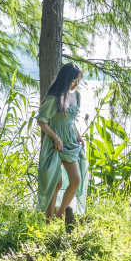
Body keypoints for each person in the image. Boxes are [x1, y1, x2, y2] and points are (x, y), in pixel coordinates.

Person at [36, 63, 88, 223]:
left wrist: (79, 136)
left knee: (76, 180)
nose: (76, 84)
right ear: (66, 80)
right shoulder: (54, 98)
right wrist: (55, 137)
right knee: (55, 183)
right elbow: (41, 121)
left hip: (71, 142)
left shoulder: (76, 95)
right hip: (55, 144)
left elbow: (71, 121)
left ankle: (60, 214)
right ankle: (48, 220)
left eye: (78, 80)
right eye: (74, 81)